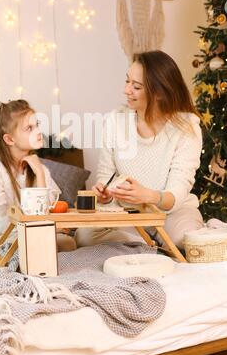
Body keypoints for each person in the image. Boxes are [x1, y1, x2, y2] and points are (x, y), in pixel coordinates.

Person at [75, 50, 204, 249]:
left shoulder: (187, 128)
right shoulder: (115, 121)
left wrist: (149, 196)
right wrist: (105, 193)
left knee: (191, 242)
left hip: (173, 213)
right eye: (127, 82)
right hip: (128, 215)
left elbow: (177, 191)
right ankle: (148, 245)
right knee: (84, 236)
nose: (126, 90)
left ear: (159, 93)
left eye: (136, 86)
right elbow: (105, 176)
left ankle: (144, 246)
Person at [0, 100, 76, 252]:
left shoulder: (40, 168)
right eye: (29, 128)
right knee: (44, 244)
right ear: (9, 139)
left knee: (67, 243)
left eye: (37, 125)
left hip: (25, 230)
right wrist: (40, 228)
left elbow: (44, 214)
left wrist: (39, 174)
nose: (38, 132)